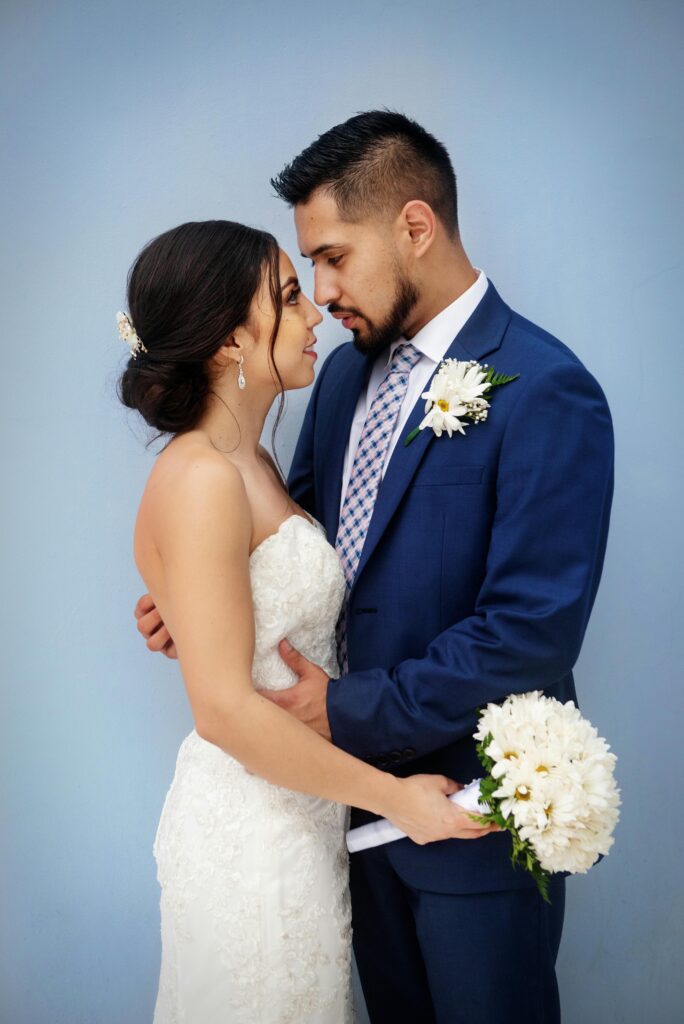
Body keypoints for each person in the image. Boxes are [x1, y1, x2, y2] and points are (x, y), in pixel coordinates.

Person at [137, 112, 614, 1023]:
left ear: (415, 227)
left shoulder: (547, 387)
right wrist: (202, 599)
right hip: (336, 824)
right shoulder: (347, 376)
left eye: (333, 257)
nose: (321, 291)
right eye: (304, 270)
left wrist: (346, 708)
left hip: (466, 816)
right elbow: (298, 540)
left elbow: (532, 628)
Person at [120, 219, 496, 1024]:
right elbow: (222, 710)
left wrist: (193, 613)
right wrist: (397, 797)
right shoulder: (200, 479)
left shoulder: (251, 463)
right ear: (230, 340)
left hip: (301, 817)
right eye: (290, 298)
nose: (315, 313)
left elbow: (254, 605)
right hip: (250, 832)